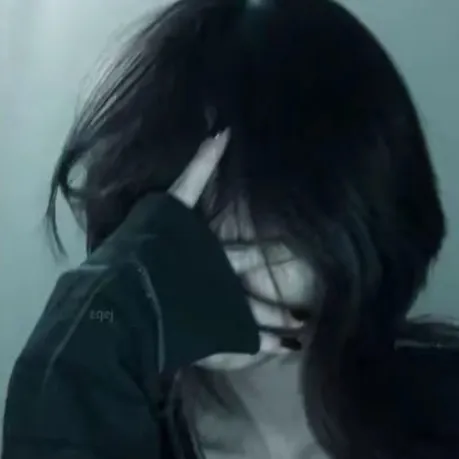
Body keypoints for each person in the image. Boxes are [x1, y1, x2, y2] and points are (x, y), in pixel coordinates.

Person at [2, 0, 459, 458]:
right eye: (183, 210)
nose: (214, 260)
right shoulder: (113, 428)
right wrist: (99, 320)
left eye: (267, 226)